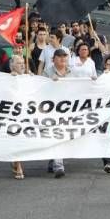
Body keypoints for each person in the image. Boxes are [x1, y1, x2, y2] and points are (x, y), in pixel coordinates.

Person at [42, 49, 74, 178]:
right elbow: (40, 88)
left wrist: (92, 80)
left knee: (62, 136)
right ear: (53, 59)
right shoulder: (47, 72)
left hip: (69, 110)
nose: (62, 59)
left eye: (64, 57)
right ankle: (58, 165)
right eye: (59, 57)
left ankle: (53, 160)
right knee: (57, 135)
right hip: (53, 110)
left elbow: (82, 87)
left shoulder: (73, 72)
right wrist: (49, 83)